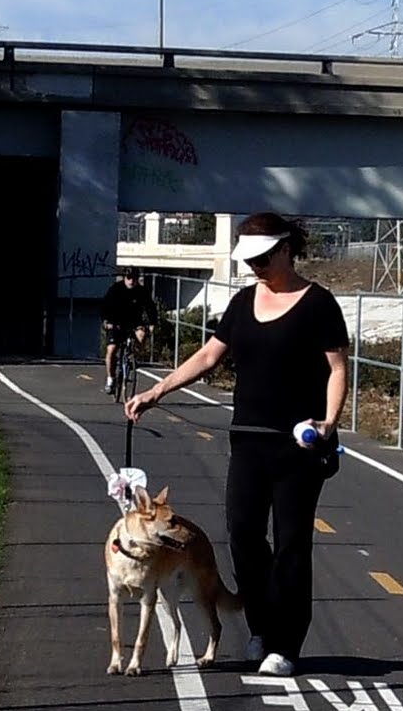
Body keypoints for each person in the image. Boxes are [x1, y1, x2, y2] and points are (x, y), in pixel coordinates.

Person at [124, 212, 349, 677]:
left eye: (263, 258)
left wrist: (328, 423)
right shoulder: (244, 301)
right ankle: (261, 630)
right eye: (250, 260)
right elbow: (209, 355)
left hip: (299, 449)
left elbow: (337, 370)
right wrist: (155, 391)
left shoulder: (319, 304)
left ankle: (286, 645)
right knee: (244, 535)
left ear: (286, 249)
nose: (256, 267)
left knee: (292, 544)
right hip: (248, 442)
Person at [102, 266, 157, 394]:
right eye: (129, 278)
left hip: (134, 322)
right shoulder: (116, 289)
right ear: (125, 278)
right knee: (112, 350)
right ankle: (111, 379)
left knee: (142, 335)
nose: (131, 281)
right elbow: (105, 305)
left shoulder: (142, 291)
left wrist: (152, 323)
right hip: (116, 323)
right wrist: (106, 321)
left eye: (134, 278)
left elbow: (150, 307)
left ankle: (133, 358)